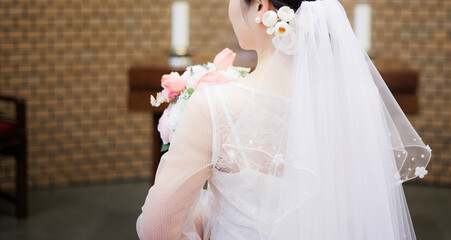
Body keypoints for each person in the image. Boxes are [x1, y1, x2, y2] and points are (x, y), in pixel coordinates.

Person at [136, 0, 432, 239]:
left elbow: (157, 230)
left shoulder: (217, 106)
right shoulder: (349, 108)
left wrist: (203, 216)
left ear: (262, 8)